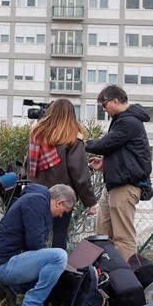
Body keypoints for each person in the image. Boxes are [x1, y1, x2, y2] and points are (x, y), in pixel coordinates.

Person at [0, 183, 76, 306]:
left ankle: (10, 289)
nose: (60, 216)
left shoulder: (35, 198)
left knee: (50, 259)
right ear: (60, 202)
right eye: (63, 211)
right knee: (59, 256)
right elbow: (35, 244)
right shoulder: (37, 202)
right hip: (4, 266)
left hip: (6, 263)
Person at [85, 85, 152, 261]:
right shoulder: (122, 119)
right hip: (113, 184)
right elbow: (122, 151)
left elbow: (104, 144)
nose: (103, 108)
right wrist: (105, 163)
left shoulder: (129, 121)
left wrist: (81, 141)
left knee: (123, 238)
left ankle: (128, 280)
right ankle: (109, 275)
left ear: (116, 101)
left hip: (125, 185)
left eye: (104, 104)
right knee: (103, 235)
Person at [27, 99, 97, 250]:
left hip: (36, 192)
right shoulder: (72, 138)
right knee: (60, 232)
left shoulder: (37, 134)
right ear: (71, 115)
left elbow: (28, 164)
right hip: (63, 195)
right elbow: (79, 173)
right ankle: (57, 268)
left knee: (37, 232)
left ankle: (32, 266)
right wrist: (90, 201)